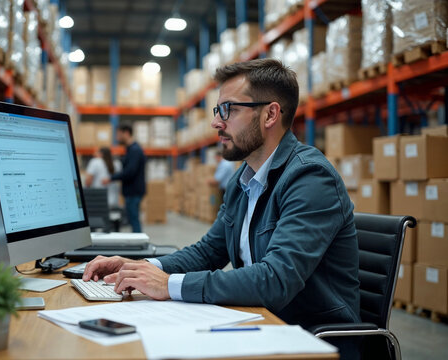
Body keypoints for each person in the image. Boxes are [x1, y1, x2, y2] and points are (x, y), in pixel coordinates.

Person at [84, 59, 360, 358]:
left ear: (270, 114)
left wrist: (170, 284)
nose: (216, 122)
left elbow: (275, 280)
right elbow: (208, 252)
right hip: (265, 325)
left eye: (228, 109)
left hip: (312, 340)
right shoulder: (243, 181)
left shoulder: (309, 178)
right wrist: (143, 269)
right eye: (218, 111)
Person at [103, 124, 146, 233]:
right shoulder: (130, 149)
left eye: (119, 134)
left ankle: (139, 244)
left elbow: (130, 172)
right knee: (132, 220)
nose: (117, 137)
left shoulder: (135, 150)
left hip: (133, 192)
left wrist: (111, 178)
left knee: (134, 220)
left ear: (126, 133)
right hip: (131, 192)